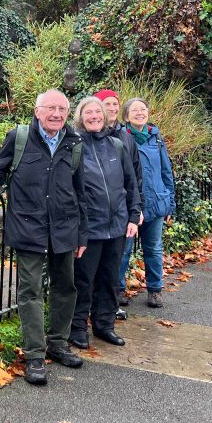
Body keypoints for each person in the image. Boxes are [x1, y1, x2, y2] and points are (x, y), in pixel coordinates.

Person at [0, 89, 88, 385]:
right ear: (38, 110)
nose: (56, 114)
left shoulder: (74, 143)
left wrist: (82, 234)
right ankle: (34, 355)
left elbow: (81, 193)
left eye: (62, 109)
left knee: (66, 287)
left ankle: (58, 342)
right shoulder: (20, 137)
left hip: (65, 228)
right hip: (28, 227)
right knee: (30, 290)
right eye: (50, 108)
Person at [69, 96, 141, 349]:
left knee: (110, 279)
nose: (94, 117)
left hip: (117, 226)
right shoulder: (74, 146)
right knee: (84, 280)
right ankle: (77, 328)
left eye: (98, 113)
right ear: (80, 117)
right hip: (90, 228)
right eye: (89, 113)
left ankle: (104, 325)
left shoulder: (116, 145)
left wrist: (133, 214)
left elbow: (130, 184)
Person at [116, 97, 176, 308]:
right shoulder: (121, 137)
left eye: (143, 109)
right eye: (135, 110)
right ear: (126, 116)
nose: (140, 113)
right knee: (124, 249)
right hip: (130, 204)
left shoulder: (156, 137)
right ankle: (119, 289)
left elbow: (166, 171)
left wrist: (170, 202)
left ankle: (155, 290)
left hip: (156, 202)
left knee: (153, 248)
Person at [95, 89, 144, 316]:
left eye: (115, 104)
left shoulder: (125, 137)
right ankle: (95, 308)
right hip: (97, 213)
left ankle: (110, 306)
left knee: (116, 262)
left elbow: (134, 175)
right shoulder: (90, 134)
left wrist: (137, 208)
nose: (113, 108)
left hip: (121, 209)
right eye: (107, 104)